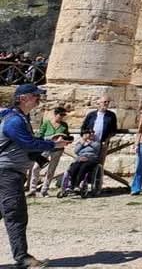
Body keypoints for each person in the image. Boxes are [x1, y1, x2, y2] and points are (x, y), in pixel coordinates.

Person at [0, 84, 68, 268]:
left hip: (10, 172)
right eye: (35, 96)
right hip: (7, 173)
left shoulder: (20, 117)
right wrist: (53, 145)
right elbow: (27, 143)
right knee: (16, 214)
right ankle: (23, 259)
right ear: (23, 98)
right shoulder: (14, 120)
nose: (39, 99)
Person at [28, 106, 70, 197]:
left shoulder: (64, 125)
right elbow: (40, 135)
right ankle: (32, 189)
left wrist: (65, 139)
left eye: (63, 115)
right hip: (46, 148)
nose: (62, 117)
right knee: (36, 168)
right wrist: (49, 138)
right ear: (55, 114)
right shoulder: (46, 123)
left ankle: (44, 190)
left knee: (51, 170)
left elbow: (67, 135)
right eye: (60, 114)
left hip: (58, 150)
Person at [61, 130, 101, 197]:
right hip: (80, 158)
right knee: (74, 167)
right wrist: (82, 143)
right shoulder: (80, 142)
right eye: (88, 134)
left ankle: (77, 185)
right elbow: (76, 151)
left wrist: (88, 142)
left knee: (84, 167)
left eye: (92, 134)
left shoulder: (96, 142)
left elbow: (96, 148)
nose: (90, 135)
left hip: (91, 159)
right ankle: (71, 186)